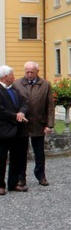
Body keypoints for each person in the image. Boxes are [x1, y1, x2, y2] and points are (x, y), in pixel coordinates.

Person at [13, 62, 55, 186]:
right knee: (21, 153)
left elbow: (50, 106)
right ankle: (21, 177)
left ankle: (41, 176)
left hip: (39, 123)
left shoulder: (45, 84)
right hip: (22, 125)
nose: (29, 74)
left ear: (37, 71)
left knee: (39, 153)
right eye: (27, 72)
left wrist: (49, 124)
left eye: (32, 72)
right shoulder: (17, 84)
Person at [0, 65, 28, 194]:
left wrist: (22, 112)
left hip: (18, 131)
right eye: (12, 74)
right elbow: (1, 111)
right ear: (6, 76)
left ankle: (14, 183)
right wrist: (15, 116)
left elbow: (24, 103)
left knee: (17, 158)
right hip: (3, 131)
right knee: (1, 159)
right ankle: (1, 185)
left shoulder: (15, 89)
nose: (14, 76)